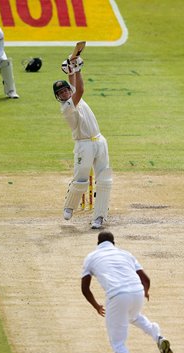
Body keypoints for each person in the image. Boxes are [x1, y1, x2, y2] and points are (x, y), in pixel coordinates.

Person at [81, 231, 173, 353]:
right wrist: (145, 292)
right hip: (136, 291)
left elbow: (85, 288)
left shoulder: (91, 257)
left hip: (117, 295)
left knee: (117, 342)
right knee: (134, 316)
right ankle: (158, 335)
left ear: (98, 243)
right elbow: (146, 279)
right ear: (114, 243)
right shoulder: (125, 254)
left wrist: (96, 305)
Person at [52, 56, 112, 229]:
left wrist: (72, 69)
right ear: (58, 97)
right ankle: (70, 206)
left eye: (65, 90)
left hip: (100, 141)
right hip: (83, 145)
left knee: (105, 180)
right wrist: (78, 70)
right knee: (81, 179)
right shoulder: (68, 106)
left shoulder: (73, 95)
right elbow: (80, 90)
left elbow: (75, 86)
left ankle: (99, 217)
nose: (64, 93)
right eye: (60, 93)